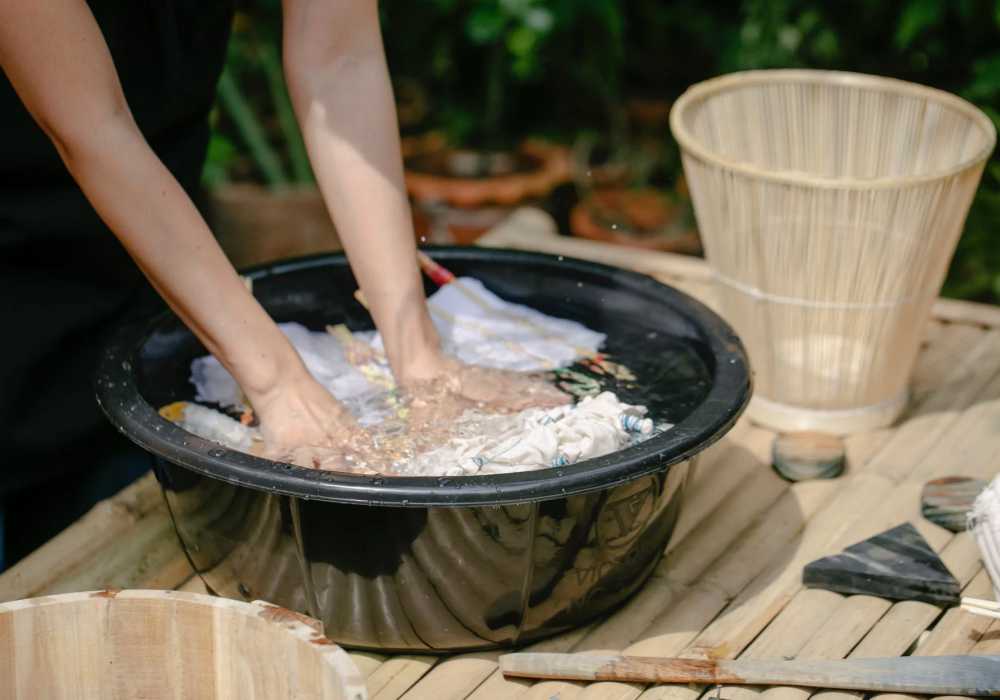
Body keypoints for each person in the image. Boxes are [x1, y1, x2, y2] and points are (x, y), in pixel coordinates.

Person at [0, 1, 563, 570]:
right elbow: (89, 124)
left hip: (150, 246)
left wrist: (420, 357)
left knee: (110, 542)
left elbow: (340, 58)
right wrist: (279, 385)